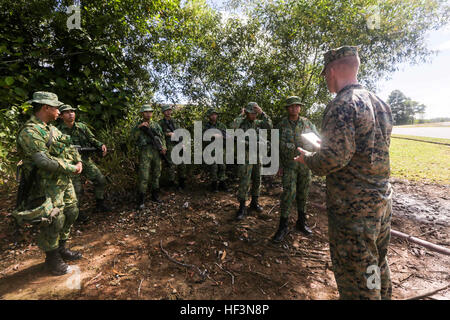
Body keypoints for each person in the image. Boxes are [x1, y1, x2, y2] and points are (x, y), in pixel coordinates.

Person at [294, 46, 393, 300]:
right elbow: (366, 151)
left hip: (353, 207)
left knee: (357, 274)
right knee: (376, 262)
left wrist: (309, 159)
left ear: (333, 69)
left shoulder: (342, 104)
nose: (326, 78)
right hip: (381, 200)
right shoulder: (379, 103)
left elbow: (334, 158)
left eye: (326, 72)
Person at [15, 92, 84, 275]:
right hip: (45, 184)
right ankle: (52, 258)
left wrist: (79, 161)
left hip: (62, 180)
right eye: (56, 107)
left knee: (71, 211)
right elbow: (43, 161)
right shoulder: (30, 131)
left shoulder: (52, 129)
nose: (59, 111)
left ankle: (61, 247)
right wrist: (71, 168)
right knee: (54, 218)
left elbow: (69, 145)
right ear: (45, 107)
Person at [273, 96, 321, 242]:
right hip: (289, 166)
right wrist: (279, 165)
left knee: (303, 194)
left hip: (305, 165)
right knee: (288, 193)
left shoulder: (307, 123)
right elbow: (276, 146)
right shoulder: (281, 125)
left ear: (300, 108)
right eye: (291, 106)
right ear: (287, 108)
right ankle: (283, 226)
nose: (294, 108)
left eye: (296, 106)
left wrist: (316, 160)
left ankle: (301, 222)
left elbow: (318, 141)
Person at [57, 104, 111, 217]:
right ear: (61, 116)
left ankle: (99, 204)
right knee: (76, 189)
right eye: (67, 112)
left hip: (84, 159)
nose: (71, 114)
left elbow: (91, 139)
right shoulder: (57, 131)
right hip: (69, 163)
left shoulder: (81, 127)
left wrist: (101, 145)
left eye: (72, 111)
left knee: (100, 180)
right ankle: (76, 213)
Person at [232, 102, 272, 220]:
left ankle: (254, 202)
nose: (253, 115)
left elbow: (269, 125)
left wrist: (262, 113)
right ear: (247, 113)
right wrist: (241, 115)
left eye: (255, 113)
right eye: (251, 113)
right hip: (245, 155)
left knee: (257, 179)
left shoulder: (259, 123)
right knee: (245, 180)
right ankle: (242, 206)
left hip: (258, 155)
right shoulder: (242, 123)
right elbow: (233, 126)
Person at [132, 104, 167, 209]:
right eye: (146, 112)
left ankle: (155, 195)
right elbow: (132, 138)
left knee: (156, 174)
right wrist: (139, 128)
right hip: (145, 152)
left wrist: (164, 147)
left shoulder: (156, 125)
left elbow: (162, 137)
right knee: (144, 176)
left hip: (156, 151)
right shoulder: (138, 125)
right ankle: (141, 200)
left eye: (150, 112)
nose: (148, 114)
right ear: (142, 113)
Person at [159, 104, 187, 190]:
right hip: (169, 144)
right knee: (171, 164)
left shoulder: (175, 121)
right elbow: (158, 134)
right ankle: (171, 183)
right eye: (166, 110)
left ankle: (182, 182)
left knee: (182, 163)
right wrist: (168, 134)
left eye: (169, 110)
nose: (168, 112)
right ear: (163, 112)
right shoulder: (161, 123)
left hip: (178, 143)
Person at [203, 108, 228, 192]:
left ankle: (222, 182)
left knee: (222, 166)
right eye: (212, 115)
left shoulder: (221, 125)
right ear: (209, 116)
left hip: (221, 148)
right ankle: (214, 185)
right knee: (214, 167)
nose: (214, 116)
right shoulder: (206, 126)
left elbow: (226, 135)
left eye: (215, 114)